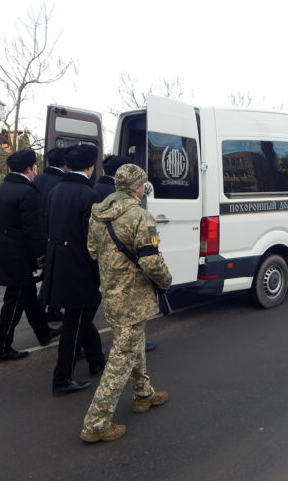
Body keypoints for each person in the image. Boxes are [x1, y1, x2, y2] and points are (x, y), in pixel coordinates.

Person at [80, 164, 172, 443]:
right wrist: (166, 281)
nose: (144, 189)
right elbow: (150, 261)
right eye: (143, 185)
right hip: (134, 297)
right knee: (121, 358)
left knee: (133, 344)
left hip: (111, 293)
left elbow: (92, 251)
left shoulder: (98, 214)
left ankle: (143, 394)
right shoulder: (141, 217)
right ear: (137, 188)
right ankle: (96, 423)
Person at [41, 144, 106, 396]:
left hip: (59, 261)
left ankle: (96, 359)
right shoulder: (89, 196)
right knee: (75, 322)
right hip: (79, 265)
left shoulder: (56, 190)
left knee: (79, 316)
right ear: (90, 167)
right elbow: (93, 240)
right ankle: (62, 379)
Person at [0, 150, 61, 362]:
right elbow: (32, 230)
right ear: (29, 168)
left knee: (28, 295)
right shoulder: (26, 191)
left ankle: (43, 331)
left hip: (5, 246)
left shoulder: (2, 186)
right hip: (19, 253)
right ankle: (1, 347)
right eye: (34, 167)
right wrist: (39, 258)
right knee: (15, 300)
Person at [94, 154, 157, 353]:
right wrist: (164, 281)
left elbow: (92, 247)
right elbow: (151, 259)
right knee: (130, 329)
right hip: (130, 273)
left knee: (116, 315)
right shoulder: (137, 211)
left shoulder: (96, 194)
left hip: (107, 271)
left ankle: (141, 382)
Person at [34, 147, 67, 323]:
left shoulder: (38, 179)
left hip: (37, 233)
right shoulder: (61, 183)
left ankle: (51, 308)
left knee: (49, 272)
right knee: (55, 274)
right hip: (55, 234)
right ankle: (46, 309)